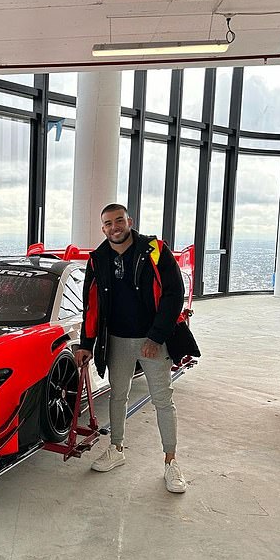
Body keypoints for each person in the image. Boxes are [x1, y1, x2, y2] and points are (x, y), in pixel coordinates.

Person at [73, 204, 187, 493]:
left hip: (153, 342)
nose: (115, 227)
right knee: (117, 396)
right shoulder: (97, 259)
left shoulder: (155, 249)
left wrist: (156, 337)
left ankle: (171, 462)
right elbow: (92, 305)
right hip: (117, 341)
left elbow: (175, 294)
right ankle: (117, 449)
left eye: (119, 220)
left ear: (129, 221)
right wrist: (87, 344)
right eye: (108, 223)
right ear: (103, 229)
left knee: (163, 400)